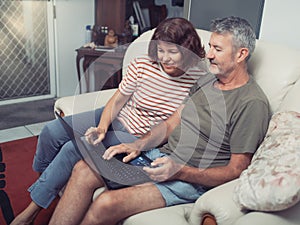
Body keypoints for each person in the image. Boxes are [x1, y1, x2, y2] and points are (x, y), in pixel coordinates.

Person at [48, 16, 271, 225]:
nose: (209, 54)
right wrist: (139, 144)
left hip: (191, 180)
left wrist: (180, 171)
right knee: (82, 169)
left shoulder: (251, 103)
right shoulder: (206, 80)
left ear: (241, 55)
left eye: (218, 49)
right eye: (211, 46)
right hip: (159, 157)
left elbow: (236, 170)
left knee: (106, 203)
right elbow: (171, 123)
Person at [10, 17, 206, 225]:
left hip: (135, 134)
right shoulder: (143, 64)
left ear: (186, 50)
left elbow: (172, 125)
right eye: (161, 50)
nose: (165, 58)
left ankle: (31, 212)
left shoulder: (195, 80)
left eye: (172, 52)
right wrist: (103, 126)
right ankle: (45, 185)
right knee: (52, 131)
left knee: (72, 148)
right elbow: (118, 99)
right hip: (117, 114)